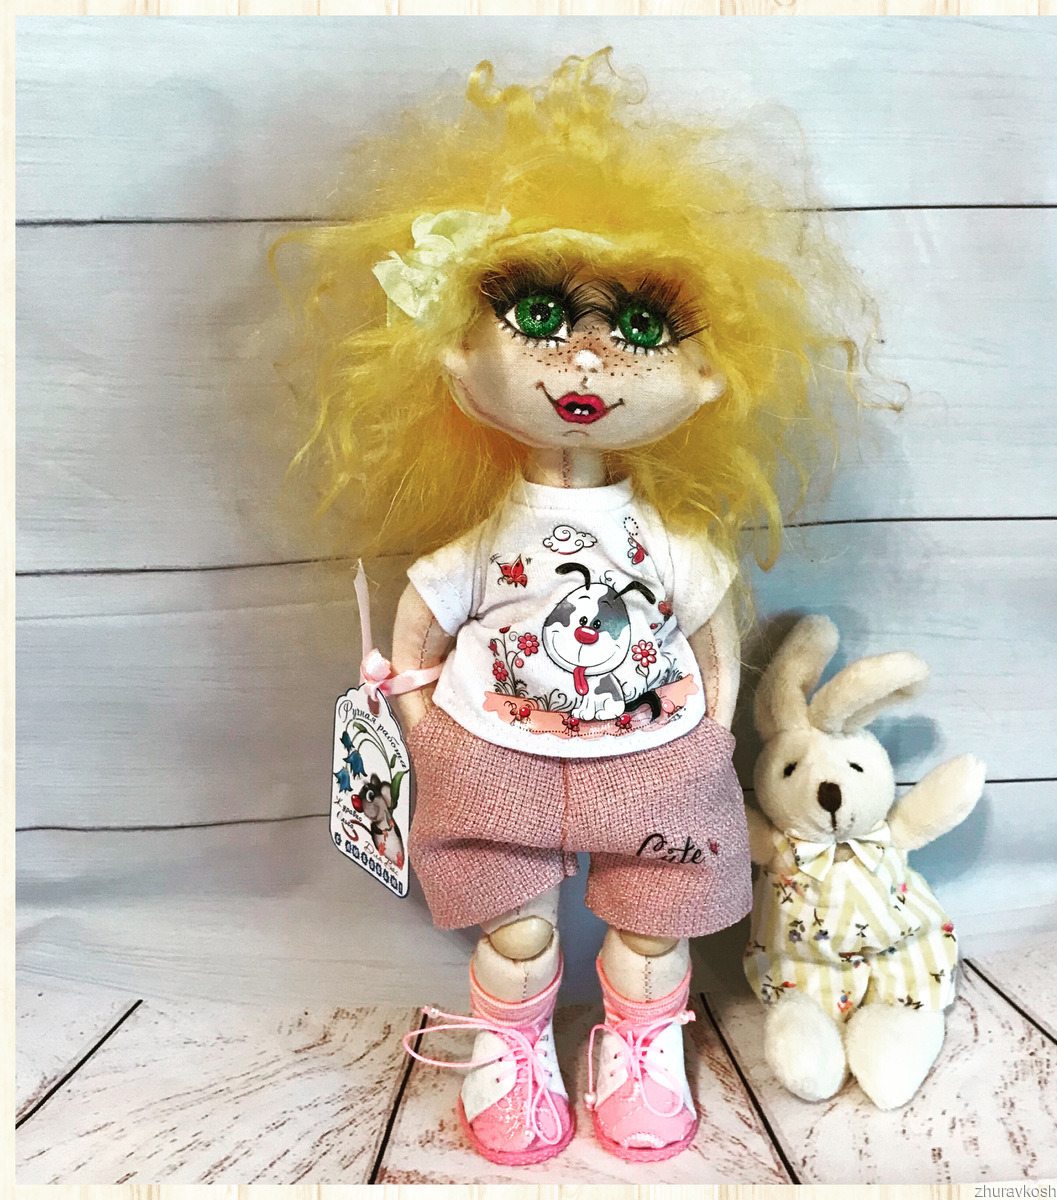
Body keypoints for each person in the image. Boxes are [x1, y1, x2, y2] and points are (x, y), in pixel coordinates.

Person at [277, 48, 872, 1165]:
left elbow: (711, 629)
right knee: (511, 931)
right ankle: (511, 1040)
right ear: (460, 359)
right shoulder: (483, 538)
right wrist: (420, 725)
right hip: (492, 754)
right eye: (541, 312)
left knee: (652, 929)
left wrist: (707, 730)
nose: (587, 358)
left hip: (654, 758)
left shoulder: (667, 541)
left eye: (641, 329)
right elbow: (422, 617)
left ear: (707, 378)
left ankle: (642, 1043)